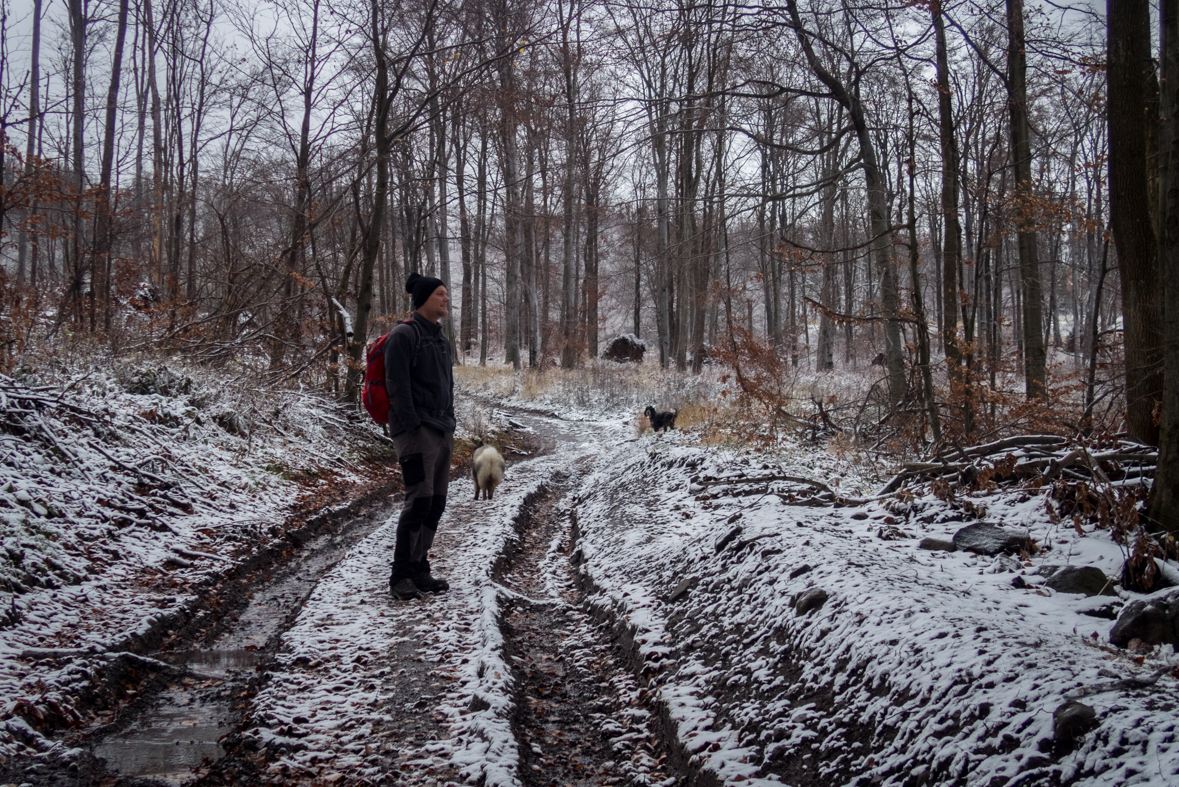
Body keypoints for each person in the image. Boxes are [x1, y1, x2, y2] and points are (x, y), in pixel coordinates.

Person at [384, 272, 455, 600]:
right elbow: (397, 386)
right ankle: (401, 575)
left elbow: (447, 386)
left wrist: (449, 421)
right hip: (416, 433)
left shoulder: (440, 339)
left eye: (446, 294)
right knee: (419, 501)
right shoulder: (403, 335)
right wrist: (413, 426)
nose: (446, 298)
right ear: (425, 298)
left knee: (435, 504)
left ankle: (419, 569)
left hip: (441, 430)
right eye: (441, 294)